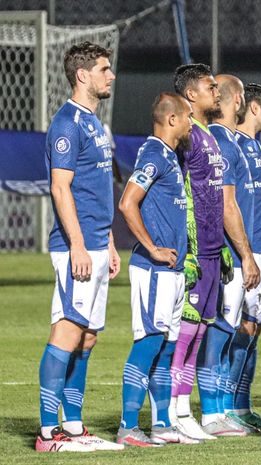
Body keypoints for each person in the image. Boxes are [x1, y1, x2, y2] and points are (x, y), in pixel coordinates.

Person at [37, 41, 123, 453]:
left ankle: (72, 427)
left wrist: (107, 241)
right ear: (82, 75)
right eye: (104, 69)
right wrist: (77, 245)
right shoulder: (67, 123)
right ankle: (47, 432)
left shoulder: (94, 124)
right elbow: (60, 187)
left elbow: (96, 188)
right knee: (68, 330)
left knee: (87, 337)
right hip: (76, 246)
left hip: (95, 242)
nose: (111, 75)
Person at [116, 93, 201, 446]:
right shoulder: (153, 154)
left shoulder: (169, 155)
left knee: (166, 347)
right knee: (148, 343)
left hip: (173, 270)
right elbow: (127, 202)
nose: (190, 124)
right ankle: (127, 426)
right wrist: (151, 247)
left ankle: (162, 424)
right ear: (171, 120)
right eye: (187, 117)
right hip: (153, 270)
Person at [169, 63, 230, 441]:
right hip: (194, 251)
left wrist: (219, 245)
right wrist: (188, 249)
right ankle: (175, 409)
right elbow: (179, 195)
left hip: (212, 250)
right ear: (191, 95)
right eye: (210, 86)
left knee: (200, 332)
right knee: (185, 332)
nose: (216, 91)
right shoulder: (185, 136)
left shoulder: (208, 135)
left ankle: (184, 407)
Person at [198, 74, 260, 437]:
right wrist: (245, 255)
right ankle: (211, 412)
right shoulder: (220, 140)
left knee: (228, 330)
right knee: (219, 332)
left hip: (233, 252)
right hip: (226, 254)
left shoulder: (232, 141)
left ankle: (221, 409)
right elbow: (227, 205)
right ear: (237, 100)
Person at [226, 83, 261, 432]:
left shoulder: (259, 148)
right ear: (253, 108)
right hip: (242, 253)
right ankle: (224, 406)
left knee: (254, 329)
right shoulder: (232, 145)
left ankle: (243, 405)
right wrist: (245, 253)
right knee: (235, 329)